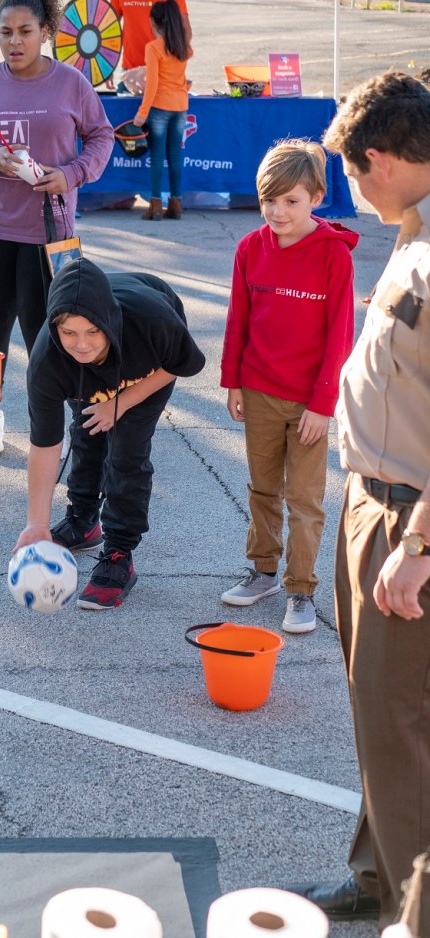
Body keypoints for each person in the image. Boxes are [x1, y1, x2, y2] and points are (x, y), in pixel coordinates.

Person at [286, 71, 430, 938]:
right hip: (371, 506)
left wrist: (417, 544)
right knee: (375, 716)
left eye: (354, 174)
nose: (352, 191)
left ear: (381, 159)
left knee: (402, 726)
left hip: (409, 519)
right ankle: (379, 877)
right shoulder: (412, 235)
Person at [0, 0, 114, 456]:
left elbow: (102, 136)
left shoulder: (70, 83)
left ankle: (54, 424)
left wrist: (72, 173)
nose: (14, 41)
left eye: (25, 31)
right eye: (5, 32)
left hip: (50, 231)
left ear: (46, 31)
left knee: (50, 330)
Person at [219, 140, 358, 634]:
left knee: (304, 499)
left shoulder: (333, 258)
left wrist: (323, 404)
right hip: (256, 391)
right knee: (262, 487)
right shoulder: (249, 249)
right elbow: (238, 319)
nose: (277, 211)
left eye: (291, 201)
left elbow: (340, 336)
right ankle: (263, 572)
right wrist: (232, 379)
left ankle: (301, 589)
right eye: (268, 200)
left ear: (317, 197)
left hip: (309, 403)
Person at [14, 257, 205, 609]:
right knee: (85, 432)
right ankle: (84, 520)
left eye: (92, 331)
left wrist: (122, 402)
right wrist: (36, 524)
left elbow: (182, 364)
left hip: (145, 369)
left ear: (107, 322)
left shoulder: (153, 321)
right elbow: (45, 444)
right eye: (68, 332)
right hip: (96, 376)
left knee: (126, 454)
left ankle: (119, 553)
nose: (81, 344)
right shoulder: (47, 362)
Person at [131, 1, 192, 221]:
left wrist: (142, 113)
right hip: (181, 107)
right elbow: (181, 79)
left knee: (157, 158)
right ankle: (176, 205)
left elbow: (153, 84)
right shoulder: (183, 47)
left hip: (159, 108)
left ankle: (155, 206)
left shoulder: (153, 48)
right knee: (175, 156)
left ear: (155, 22)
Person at [115, 0, 191, 94]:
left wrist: (173, 67)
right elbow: (108, 24)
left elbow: (185, 32)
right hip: (130, 75)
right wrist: (106, 68)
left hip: (164, 75)